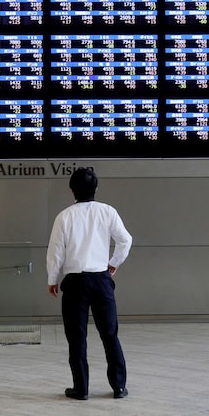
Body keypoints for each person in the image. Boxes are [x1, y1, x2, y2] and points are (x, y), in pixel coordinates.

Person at [46, 167, 132, 401]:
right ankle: (119, 387)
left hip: (75, 282)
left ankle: (81, 389)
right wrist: (113, 263)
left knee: (77, 337)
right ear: (96, 188)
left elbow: (55, 253)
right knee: (110, 334)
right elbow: (125, 240)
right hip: (102, 279)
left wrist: (52, 279)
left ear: (71, 189)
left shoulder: (64, 216)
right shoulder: (107, 211)